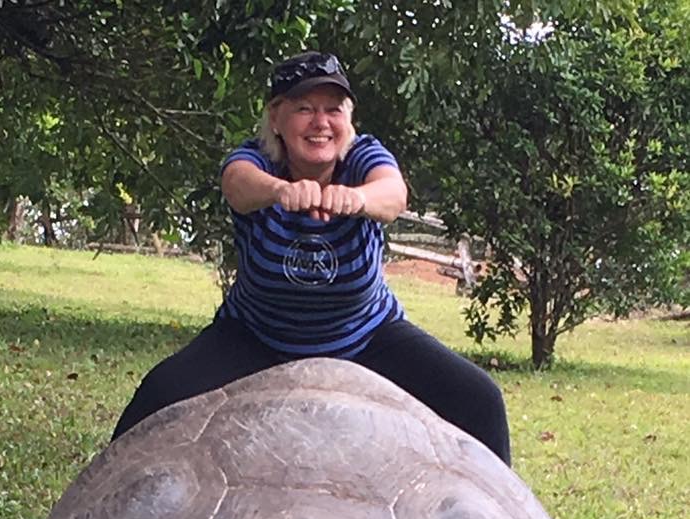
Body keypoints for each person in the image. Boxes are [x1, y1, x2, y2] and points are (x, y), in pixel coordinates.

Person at [112, 51, 511, 465]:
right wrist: (281, 191)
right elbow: (236, 185)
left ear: (348, 119)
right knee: (157, 396)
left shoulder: (362, 157)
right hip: (258, 336)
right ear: (276, 118)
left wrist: (357, 199)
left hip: (365, 336)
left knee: (479, 399)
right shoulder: (257, 160)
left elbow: (393, 194)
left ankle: (506, 509)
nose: (321, 122)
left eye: (333, 109)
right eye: (304, 108)